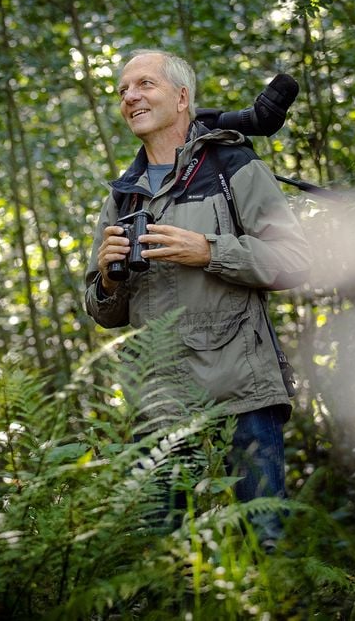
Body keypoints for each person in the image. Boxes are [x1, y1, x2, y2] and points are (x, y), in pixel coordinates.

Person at [84, 49, 311, 529]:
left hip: (242, 394)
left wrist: (210, 251)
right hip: (159, 406)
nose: (130, 97)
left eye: (144, 84)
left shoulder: (233, 165)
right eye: (123, 90)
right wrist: (107, 276)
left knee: (261, 542)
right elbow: (103, 311)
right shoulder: (123, 193)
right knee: (164, 558)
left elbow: (296, 260)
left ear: (182, 97)